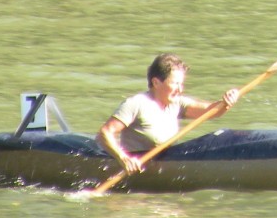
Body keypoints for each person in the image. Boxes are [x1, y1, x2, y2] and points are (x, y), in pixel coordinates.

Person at [97, 52, 239, 174]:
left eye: (181, 84)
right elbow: (105, 133)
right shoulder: (136, 104)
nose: (180, 89)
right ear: (156, 83)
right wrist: (123, 158)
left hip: (164, 162)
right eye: (175, 83)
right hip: (135, 166)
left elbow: (211, 111)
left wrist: (226, 102)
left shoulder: (177, 103)